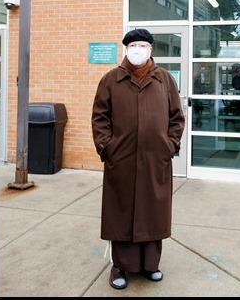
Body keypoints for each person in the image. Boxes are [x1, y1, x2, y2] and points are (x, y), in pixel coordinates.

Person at [91, 28, 185, 290]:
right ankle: (120, 266)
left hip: (156, 160)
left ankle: (150, 265)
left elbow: (177, 117)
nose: (138, 50)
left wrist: (170, 145)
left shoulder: (164, 79)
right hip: (121, 160)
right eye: (133, 46)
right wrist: (107, 147)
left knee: (152, 212)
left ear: (151, 50)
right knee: (121, 213)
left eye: (143, 45)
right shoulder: (111, 79)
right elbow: (100, 118)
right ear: (126, 49)